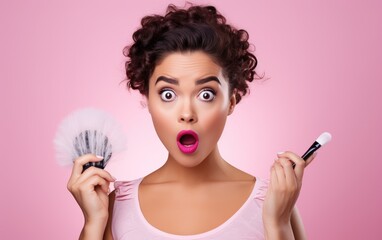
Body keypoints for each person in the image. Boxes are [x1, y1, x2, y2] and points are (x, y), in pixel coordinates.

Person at [67, 3, 315, 240]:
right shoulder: (116, 207)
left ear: (231, 101)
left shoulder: (273, 202)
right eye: (168, 94)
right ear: (148, 100)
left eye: (206, 94)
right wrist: (93, 223)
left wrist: (277, 224)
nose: (187, 113)